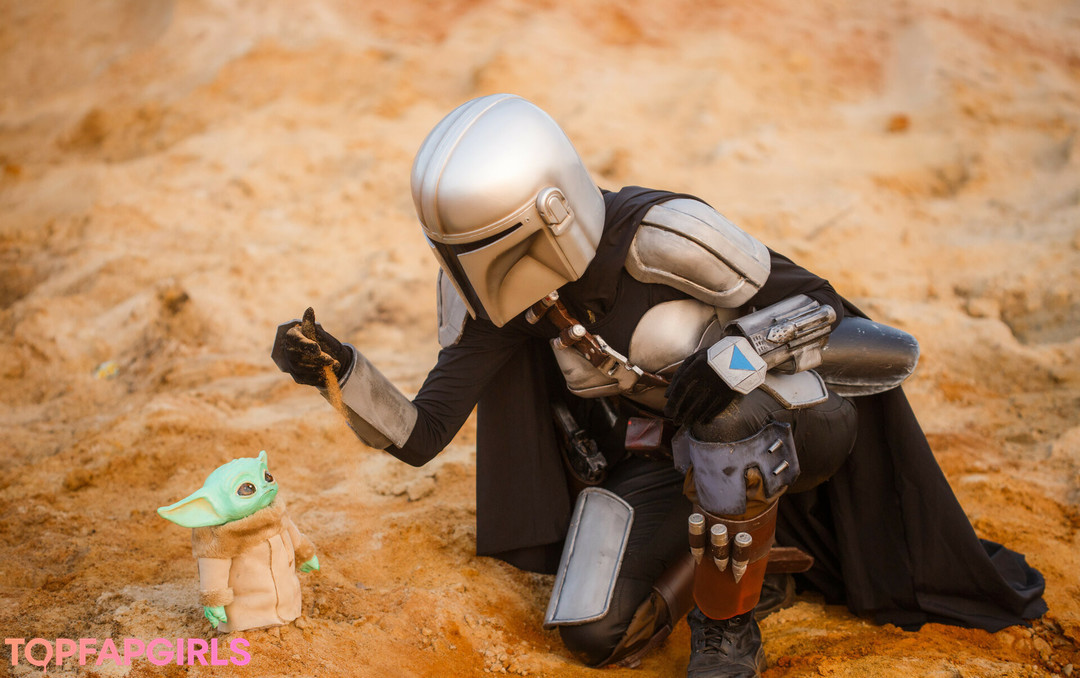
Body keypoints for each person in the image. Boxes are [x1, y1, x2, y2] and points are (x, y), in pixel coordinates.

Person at [272, 94, 1046, 677]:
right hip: (667, 456)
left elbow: (834, 316)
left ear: (549, 209)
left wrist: (737, 356)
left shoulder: (666, 237)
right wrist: (339, 372)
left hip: (799, 421)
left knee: (726, 421)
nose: (475, 271)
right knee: (595, 630)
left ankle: (727, 628)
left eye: (489, 245)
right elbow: (421, 434)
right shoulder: (496, 302)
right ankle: (754, 571)